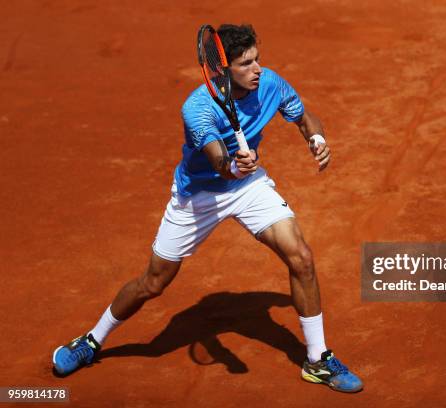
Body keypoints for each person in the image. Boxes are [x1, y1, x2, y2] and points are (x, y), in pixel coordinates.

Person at [52, 23, 363, 393]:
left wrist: (316, 138)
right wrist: (233, 166)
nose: (257, 69)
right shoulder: (197, 107)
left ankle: (318, 360)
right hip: (197, 197)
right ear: (223, 69)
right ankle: (91, 340)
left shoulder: (270, 84)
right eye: (246, 63)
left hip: (249, 187)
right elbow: (217, 160)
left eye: (257, 59)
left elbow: (302, 117)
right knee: (153, 282)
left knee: (302, 258)